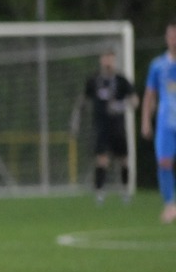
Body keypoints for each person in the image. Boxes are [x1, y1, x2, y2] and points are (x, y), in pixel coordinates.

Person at [70, 50, 138, 205]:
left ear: (114, 60)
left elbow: (134, 100)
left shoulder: (121, 80)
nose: (108, 62)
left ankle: (125, 191)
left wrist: (121, 105)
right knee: (101, 159)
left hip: (118, 127)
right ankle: (100, 193)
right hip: (101, 126)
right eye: (105, 58)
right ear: (101, 60)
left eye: (111, 59)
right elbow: (83, 101)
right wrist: (75, 120)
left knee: (123, 160)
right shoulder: (94, 80)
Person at [141, 20, 176, 224]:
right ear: (166, 38)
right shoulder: (158, 65)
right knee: (164, 162)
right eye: (171, 35)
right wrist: (146, 120)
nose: (174, 39)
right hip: (165, 121)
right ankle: (169, 205)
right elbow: (149, 95)